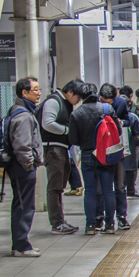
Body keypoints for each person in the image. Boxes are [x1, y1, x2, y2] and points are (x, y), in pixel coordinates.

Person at [69, 82, 117, 235]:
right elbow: (117, 133)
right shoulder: (107, 109)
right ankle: (109, 224)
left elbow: (74, 140)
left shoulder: (76, 114)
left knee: (89, 191)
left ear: (81, 96)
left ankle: (90, 226)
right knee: (108, 190)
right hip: (106, 154)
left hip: (88, 154)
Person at [37, 79, 83, 235]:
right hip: (52, 148)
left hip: (61, 148)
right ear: (69, 92)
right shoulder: (54, 101)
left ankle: (60, 221)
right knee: (55, 188)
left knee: (59, 187)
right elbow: (47, 123)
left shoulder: (64, 103)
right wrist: (67, 130)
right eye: (78, 97)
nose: (79, 101)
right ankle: (57, 223)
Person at [7, 77, 44, 256]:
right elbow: (22, 146)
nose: (39, 93)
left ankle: (21, 243)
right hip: (22, 168)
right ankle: (21, 246)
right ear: (24, 92)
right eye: (35, 89)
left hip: (21, 167)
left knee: (23, 205)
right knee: (24, 206)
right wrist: (28, 164)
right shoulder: (22, 116)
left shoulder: (20, 111)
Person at [98, 84, 132, 229]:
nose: (108, 105)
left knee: (119, 185)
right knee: (101, 187)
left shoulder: (121, 103)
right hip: (101, 149)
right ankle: (101, 217)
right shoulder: (95, 106)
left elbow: (129, 120)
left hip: (117, 147)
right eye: (105, 101)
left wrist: (121, 123)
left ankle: (122, 216)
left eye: (110, 102)